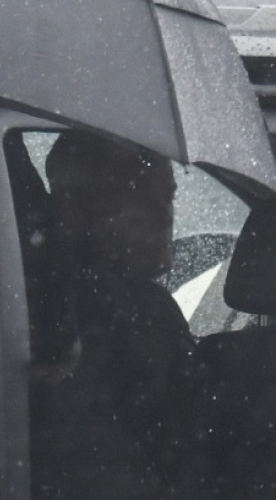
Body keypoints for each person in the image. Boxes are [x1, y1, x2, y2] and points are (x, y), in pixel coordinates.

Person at [29, 131, 211, 500]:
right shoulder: (130, 312)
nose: (164, 213)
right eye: (141, 197)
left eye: (169, 195)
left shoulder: (23, 284)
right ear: (74, 207)